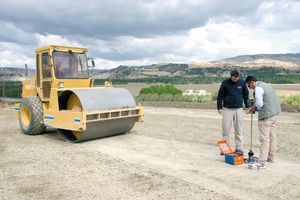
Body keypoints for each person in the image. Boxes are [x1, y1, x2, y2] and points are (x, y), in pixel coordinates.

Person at [245, 76, 281, 170]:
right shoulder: (266, 85)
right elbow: (266, 98)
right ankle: (271, 157)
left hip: (266, 116)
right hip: (274, 114)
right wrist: (255, 101)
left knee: (264, 139)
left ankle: (261, 163)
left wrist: (251, 109)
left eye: (249, 85)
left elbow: (260, 105)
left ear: (252, 82)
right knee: (272, 137)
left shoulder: (258, 88)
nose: (249, 88)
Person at [217, 69, 249, 155]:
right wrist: (219, 107)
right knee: (226, 129)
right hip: (227, 109)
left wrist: (247, 107)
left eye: (237, 78)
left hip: (238, 109)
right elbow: (220, 96)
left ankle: (239, 148)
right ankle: (224, 149)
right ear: (230, 76)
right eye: (234, 78)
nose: (235, 80)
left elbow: (246, 95)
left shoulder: (242, 83)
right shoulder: (225, 83)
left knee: (239, 129)